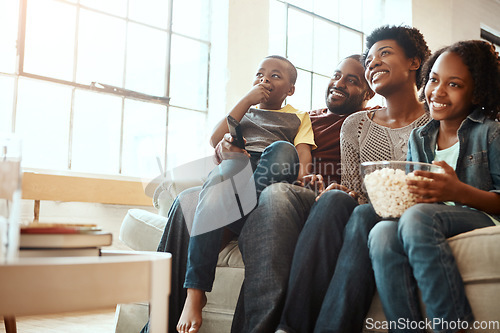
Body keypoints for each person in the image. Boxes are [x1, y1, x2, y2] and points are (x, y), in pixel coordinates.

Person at [140, 54, 374, 333]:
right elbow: (228, 140)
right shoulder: (302, 116)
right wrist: (225, 150)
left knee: (274, 192)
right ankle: (159, 326)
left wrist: (313, 181)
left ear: (369, 90)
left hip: (298, 197)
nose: (339, 83)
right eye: (336, 75)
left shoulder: (367, 123)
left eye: (352, 80)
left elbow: (309, 164)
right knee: (186, 201)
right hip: (248, 187)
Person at [276, 25, 431, 333]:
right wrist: (340, 190)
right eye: (369, 60)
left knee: (361, 213)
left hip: (411, 212)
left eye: (384, 54)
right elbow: (356, 191)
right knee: (335, 198)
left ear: (414, 62)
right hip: (366, 208)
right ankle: (288, 328)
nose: (373, 63)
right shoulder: (355, 125)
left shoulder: (435, 120)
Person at [368, 40, 500, 333]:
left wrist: (457, 191)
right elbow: (415, 198)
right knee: (381, 232)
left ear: (477, 90)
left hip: (481, 216)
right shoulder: (420, 137)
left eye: (453, 84)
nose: (437, 92)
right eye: (433, 80)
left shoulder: (490, 133)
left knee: (417, 218)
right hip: (431, 218)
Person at [177, 55, 316, 333]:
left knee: (282, 148)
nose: (265, 79)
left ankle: (235, 222)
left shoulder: (299, 117)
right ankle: (195, 292)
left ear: (290, 89)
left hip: (272, 175)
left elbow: (302, 157)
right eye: (260, 74)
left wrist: (304, 179)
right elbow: (216, 139)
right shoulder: (244, 113)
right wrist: (245, 101)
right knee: (224, 170)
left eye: (275, 76)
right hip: (239, 179)